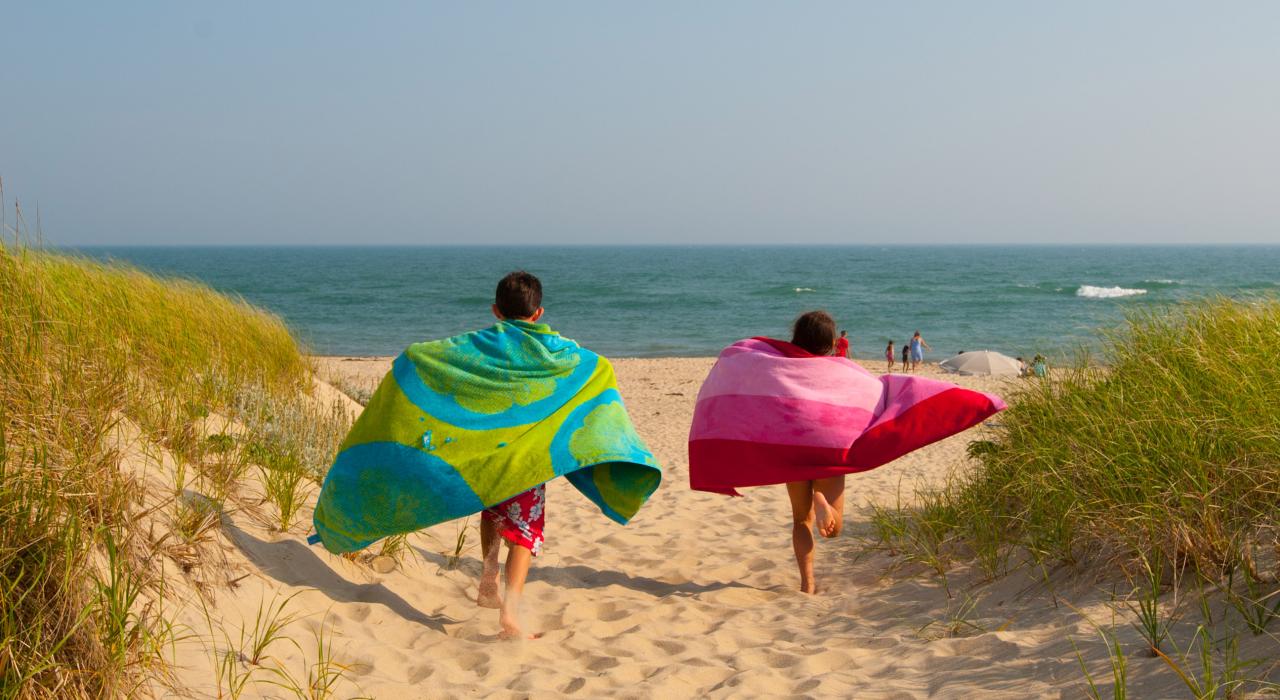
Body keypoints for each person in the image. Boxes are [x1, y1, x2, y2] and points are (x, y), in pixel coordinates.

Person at [783, 311, 846, 593]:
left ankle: (807, 583)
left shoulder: (782, 368)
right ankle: (822, 501)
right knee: (834, 530)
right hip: (827, 445)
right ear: (831, 343)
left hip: (793, 447)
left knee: (800, 519)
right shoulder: (839, 370)